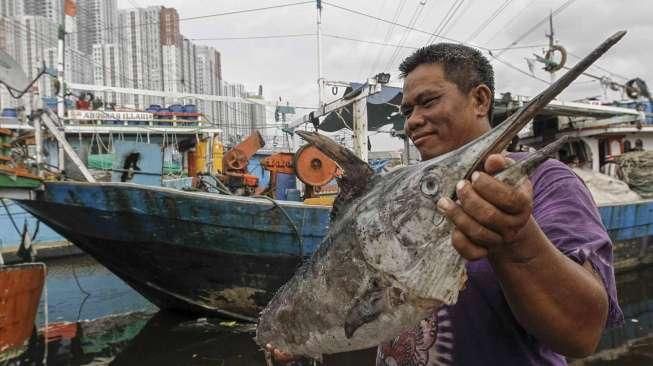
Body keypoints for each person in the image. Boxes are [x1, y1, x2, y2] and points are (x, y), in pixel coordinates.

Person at [270, 43, 622, 365]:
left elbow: (582, 335)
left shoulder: (547, 181)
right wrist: (308, 342)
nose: (412, 120)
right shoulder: (397, 191)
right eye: (408, 109)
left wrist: (516, 240)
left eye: (428, 101)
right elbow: (366, 327)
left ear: (480, 100)